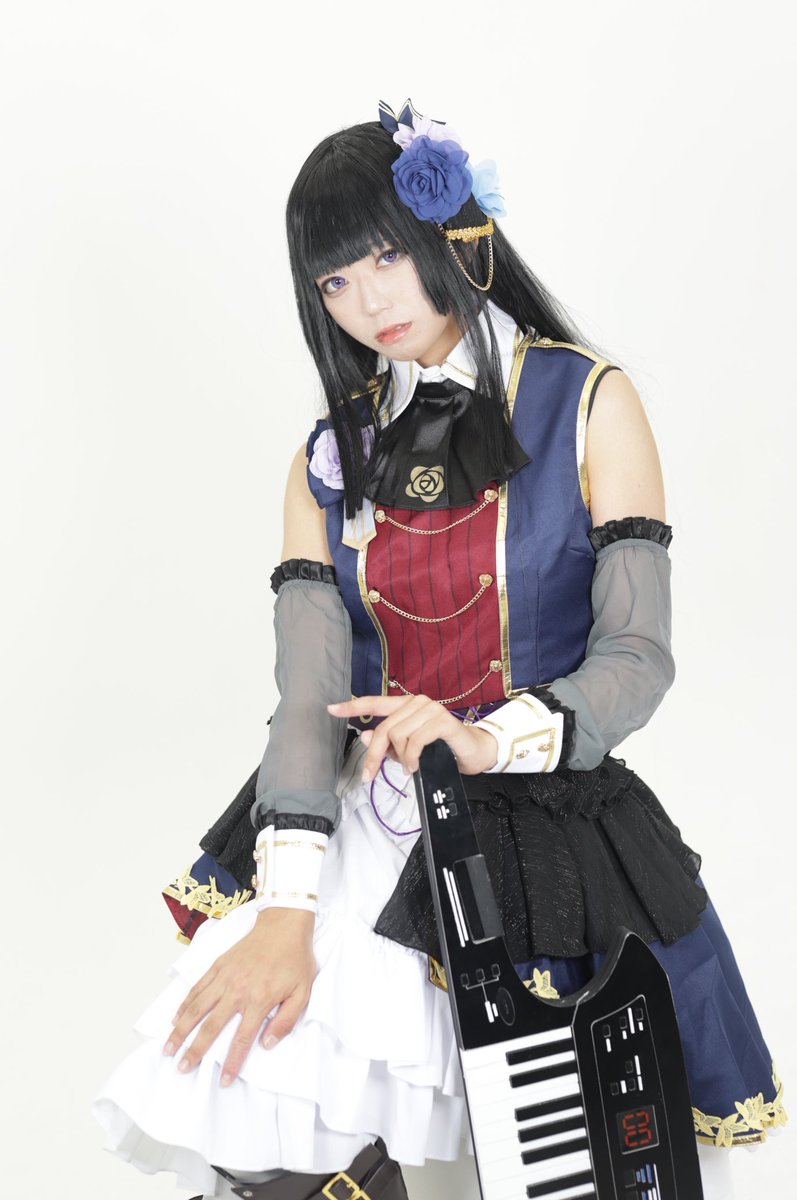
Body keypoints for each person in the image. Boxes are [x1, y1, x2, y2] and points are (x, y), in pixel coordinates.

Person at [93, 100, 785, 1200]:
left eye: (385, 257)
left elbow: (636, 656)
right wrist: (285, 913)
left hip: (544, 814)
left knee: (577, 1154)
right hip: (364, 823)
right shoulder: (326, 457)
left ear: (450, 233)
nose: (369, 304)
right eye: (333, 282)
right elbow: (307, 698)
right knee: (246, 1084)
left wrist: (483, 738)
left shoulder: (587, 402)